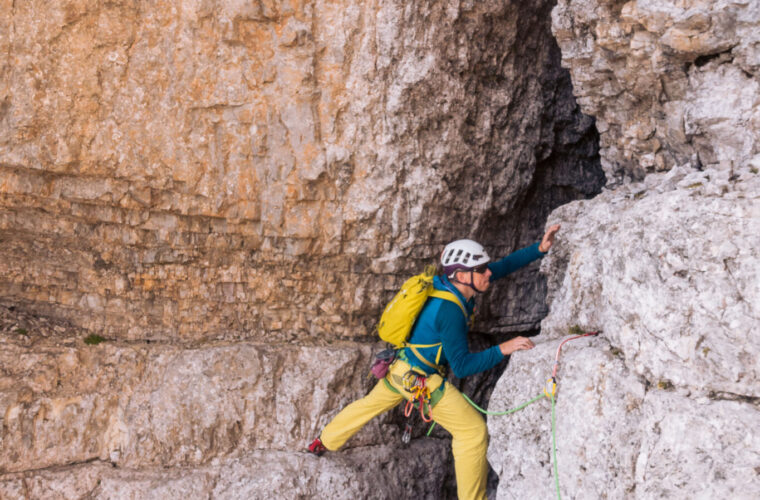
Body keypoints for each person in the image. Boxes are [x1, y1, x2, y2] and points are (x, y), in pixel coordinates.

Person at [308, 225, 561, 500]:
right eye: (482, 269)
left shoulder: (446, 284)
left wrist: (539, 249)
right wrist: (505, 347)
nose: (489, 272)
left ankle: (324, 441)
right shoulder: (449, 310)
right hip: (420, 380)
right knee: (473, 432)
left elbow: (500, 268)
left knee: (369, 405)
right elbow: (462, 366)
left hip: (399, 369)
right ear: (463, 275)